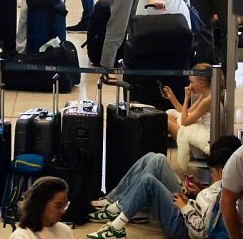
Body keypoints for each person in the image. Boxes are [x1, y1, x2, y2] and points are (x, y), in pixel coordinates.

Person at [87, 146, 232, 239]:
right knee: (156, 158)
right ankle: (115, 203)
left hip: (182, 227)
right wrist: (196, 194)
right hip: (187, 209)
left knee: (148, 180)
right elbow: (206, 212)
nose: (211, 176)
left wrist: (185, 207)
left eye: (212, 172)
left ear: (223, 171)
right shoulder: (220, 190)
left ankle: (117, 220)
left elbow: (201, 230)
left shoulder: (222, 195)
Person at [159, 64, 215, 174]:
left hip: (203, 146)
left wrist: (186, 98)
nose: (189, 86)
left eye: (192, 82)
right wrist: (172, 98)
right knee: (169, 116)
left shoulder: (207, 100)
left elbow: (184, 120)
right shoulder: (206, 95)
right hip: (200, 134)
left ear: (201, 83)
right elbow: (186, 113)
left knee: (164, 119)